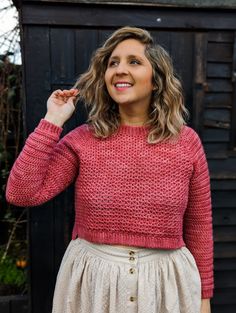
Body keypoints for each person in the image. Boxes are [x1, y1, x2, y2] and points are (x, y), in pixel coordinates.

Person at [6, 26, 214, 313]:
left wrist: (203, 298)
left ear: (156, 80)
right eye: (113, 63)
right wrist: (52, 121)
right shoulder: (82, 140)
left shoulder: (186, 143)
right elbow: (21, 193)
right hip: (93, 285)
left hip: (165, 286)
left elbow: (199, 225)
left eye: (134, 61)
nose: (119, 70)